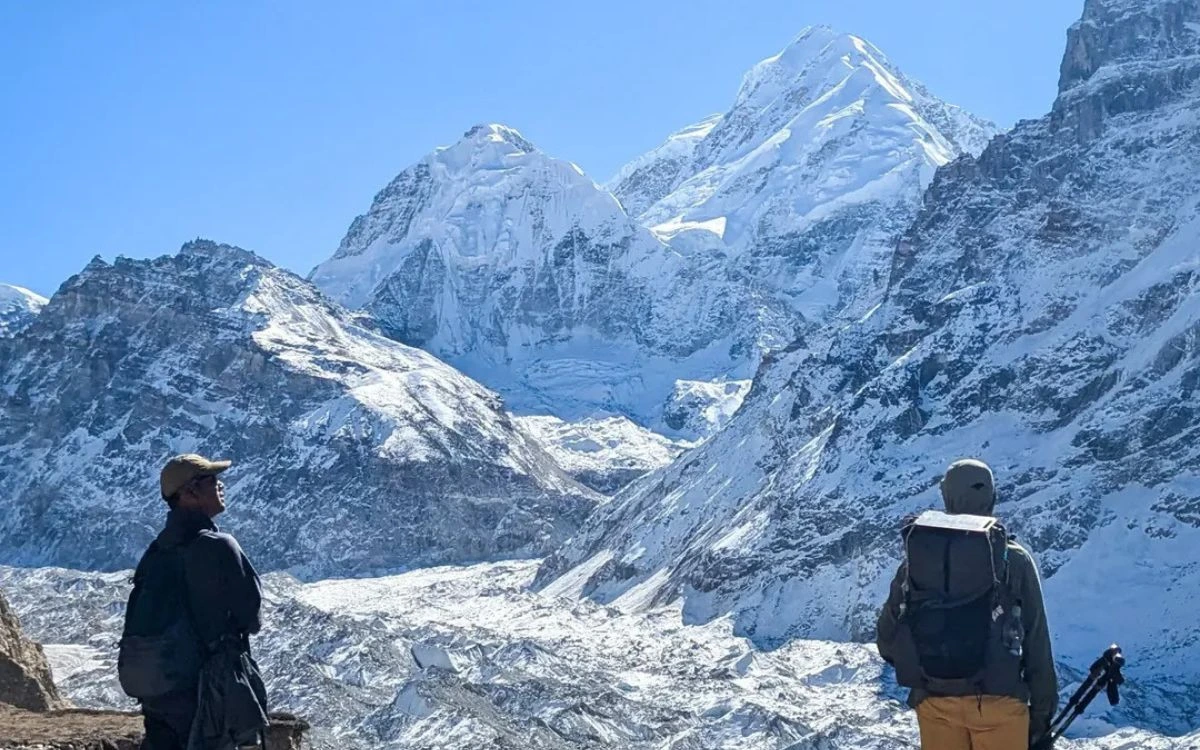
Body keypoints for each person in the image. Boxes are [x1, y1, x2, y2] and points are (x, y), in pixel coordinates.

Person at [876, 459, 1057, 750]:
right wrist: (1041, 720)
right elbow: (1037, 644)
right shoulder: (1014, 559)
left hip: (935, 704)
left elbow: (887, 639)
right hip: (1001, 702)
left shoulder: (920, 559)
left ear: (946, 497)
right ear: (991, 497)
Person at [122, 454, 264, 750]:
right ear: (189, 493)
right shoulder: (219, 546)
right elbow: (251, 618)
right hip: (207, 692)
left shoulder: (155, 552)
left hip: (158, 693)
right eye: (212, 480)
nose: (221, 485)